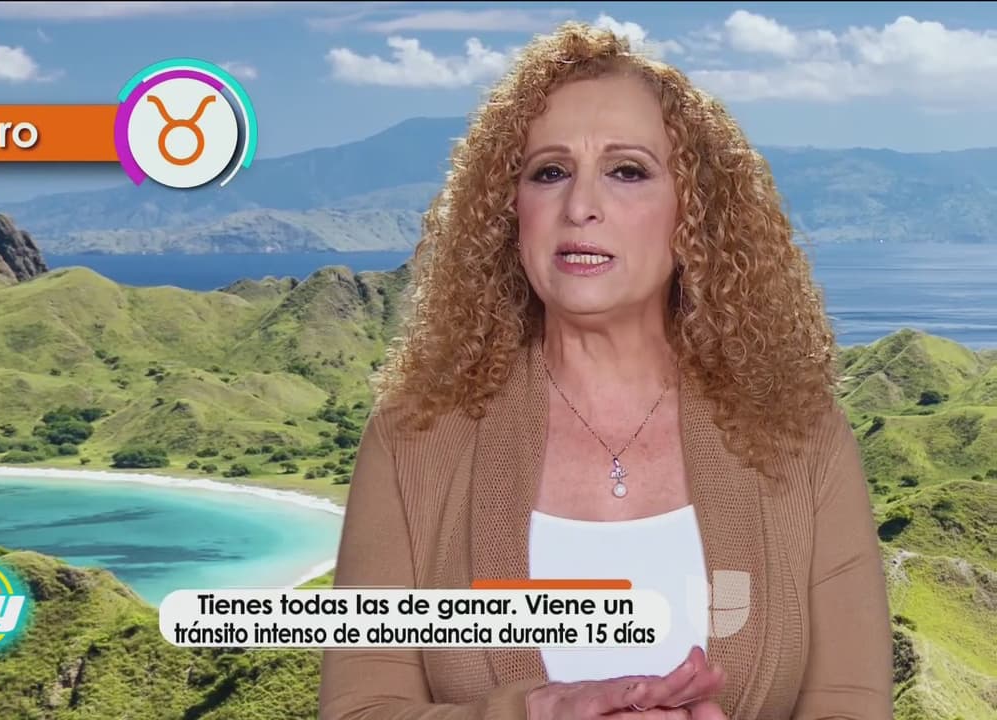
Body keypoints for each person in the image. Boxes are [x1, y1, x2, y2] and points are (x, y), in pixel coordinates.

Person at [318, 20, 894, 720]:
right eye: (549, 172)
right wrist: (528, 715)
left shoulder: (802, 438)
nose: (580, 206)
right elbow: (361, 708)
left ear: (695, 215)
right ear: (509, 214)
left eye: (627, 171)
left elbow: (850, 702)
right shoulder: (413, 442)